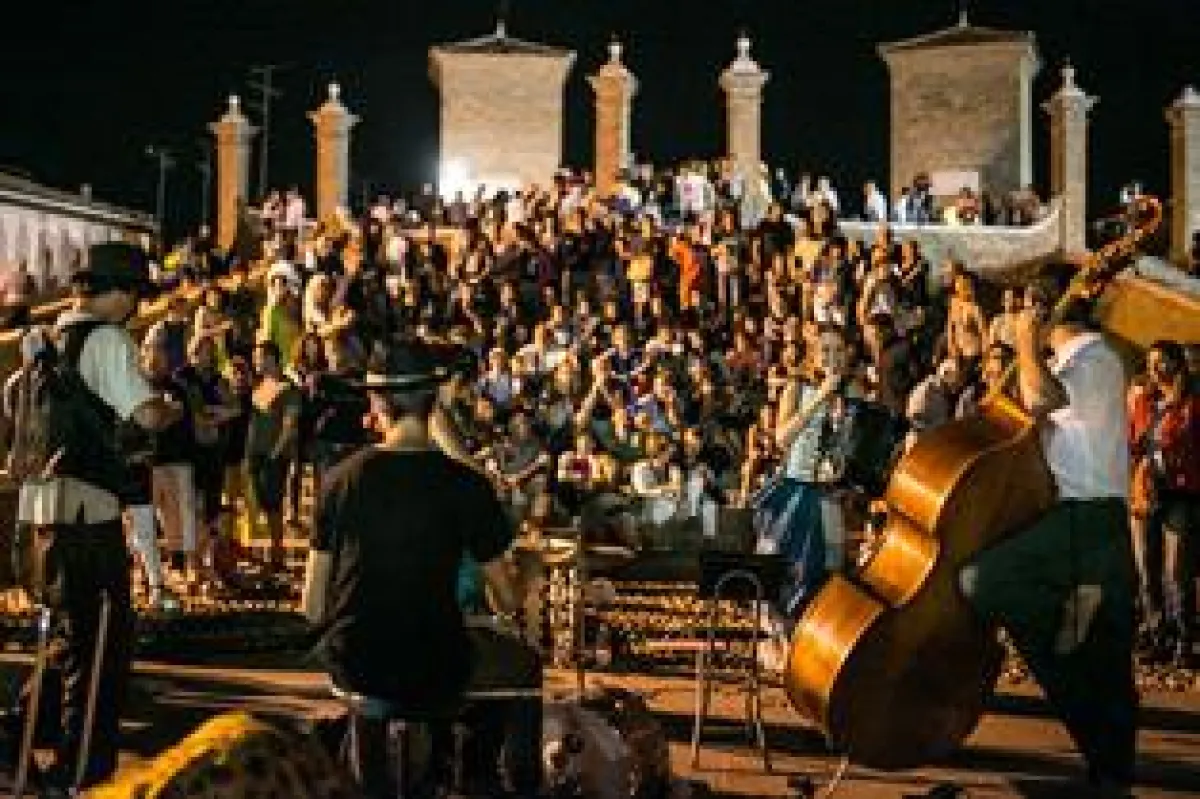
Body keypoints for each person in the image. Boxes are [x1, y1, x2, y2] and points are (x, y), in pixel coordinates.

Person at [304, 340, 540, 797]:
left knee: (366, 669)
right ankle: (492, 781)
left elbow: (312, 606)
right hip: (437, 665)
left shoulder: (338, 480)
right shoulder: (468, 486)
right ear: (434, 401)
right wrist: (529, 570)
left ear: (376, 403)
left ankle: (369, 781)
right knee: (525, 667)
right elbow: (507, 603)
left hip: (355, 663)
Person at [1, 242, 182, 793]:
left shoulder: (42, 340)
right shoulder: (105, 340)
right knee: (101, 650)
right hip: (86, 514)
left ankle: (14, 741)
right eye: (135, 296)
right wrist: (174, 407)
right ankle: (78, 774)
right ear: (121, 293)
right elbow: (146, 415)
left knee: (65, 641)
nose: (134, 308)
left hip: (36, 519)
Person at [958, 274, 1138, 794]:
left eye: (1023, 305)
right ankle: (1107, 767)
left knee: (987, 583)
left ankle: (1113, 771)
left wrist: (1024, 342)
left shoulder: (1096, 358)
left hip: (1091, 520)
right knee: (1093, 659)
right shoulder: (1068, 362)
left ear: (1046, 308)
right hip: (1074, 519)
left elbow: (1039, 398)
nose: (1015, 314)